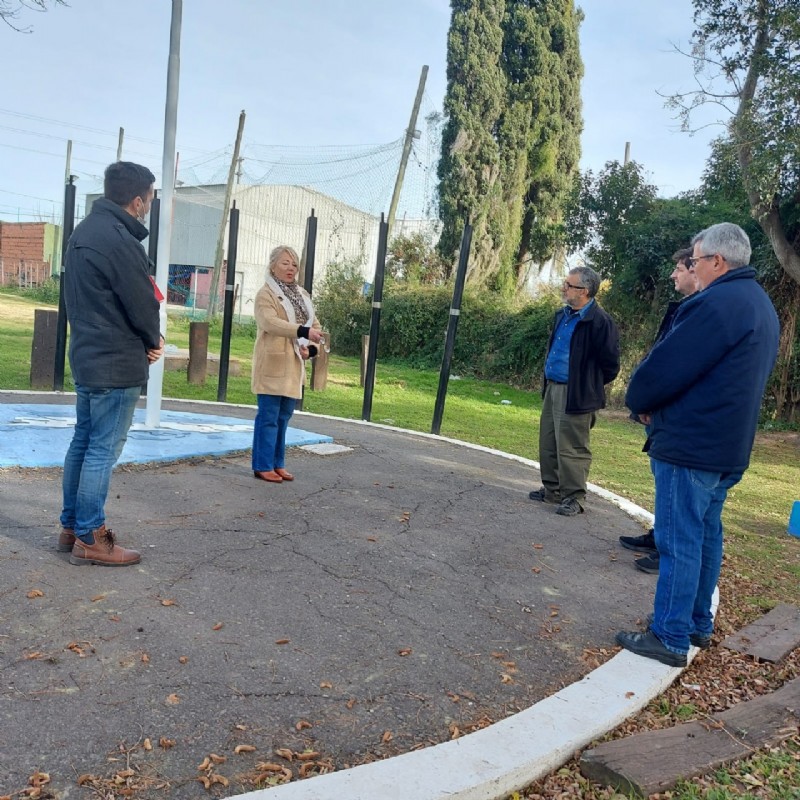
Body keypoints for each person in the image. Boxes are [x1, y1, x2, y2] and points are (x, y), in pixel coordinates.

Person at [616, 223, 779, 667]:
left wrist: (641, 400)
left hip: (692, 446)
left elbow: (666, 368)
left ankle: (668, 636)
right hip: (728, 446)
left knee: (679, 540)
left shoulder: (715, 303)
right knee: (706, 536)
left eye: (696, 260)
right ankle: (697, 625)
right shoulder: (760, 305)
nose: (691, 267)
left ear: (717, 262)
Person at [59, 161, 164, 567]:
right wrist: (152, 341)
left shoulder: (83, 232)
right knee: (102, 449)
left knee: (82, 442)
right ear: (137, 200)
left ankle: (71, 527)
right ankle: (91, 536)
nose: (150, 206)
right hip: (116, 361)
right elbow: (142, 303)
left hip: (87, 353)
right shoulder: (120, 240)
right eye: (151, 199)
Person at [619, 247, 699, 573]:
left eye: (679, 268)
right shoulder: (683, 309)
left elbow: (678, 370)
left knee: (675, 488)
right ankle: (659, 536)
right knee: (661, 480)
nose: (673, 275)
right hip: (660, 415)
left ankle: (667, 548)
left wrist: (655, 401)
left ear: (696, 270)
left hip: (677, 420)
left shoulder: (701, 313)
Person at [529, 266, 620, 516]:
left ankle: (574, 497)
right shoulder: (563, 315)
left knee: (572, 448)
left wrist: (587, 384)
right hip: (553, 388)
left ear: (585, 291)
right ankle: (552, 489)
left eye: (569, 285)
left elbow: (610, 365)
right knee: (549, 442)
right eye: (565, 284)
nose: (564, 288)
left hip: (577, 393)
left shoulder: (600, 322)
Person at [251, 245, 322, 483]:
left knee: (284, 416)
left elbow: (316, 328)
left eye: (294, 264)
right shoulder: (265, 294)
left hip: (294, 365)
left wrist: (311, 348)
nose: (291, 268)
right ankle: (262, 465)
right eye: (285, 263)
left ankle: (277, 463)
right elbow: (271, 323)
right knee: (269, 416)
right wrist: (301, 330)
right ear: (272, 266)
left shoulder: (302, 295)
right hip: (272, 364)